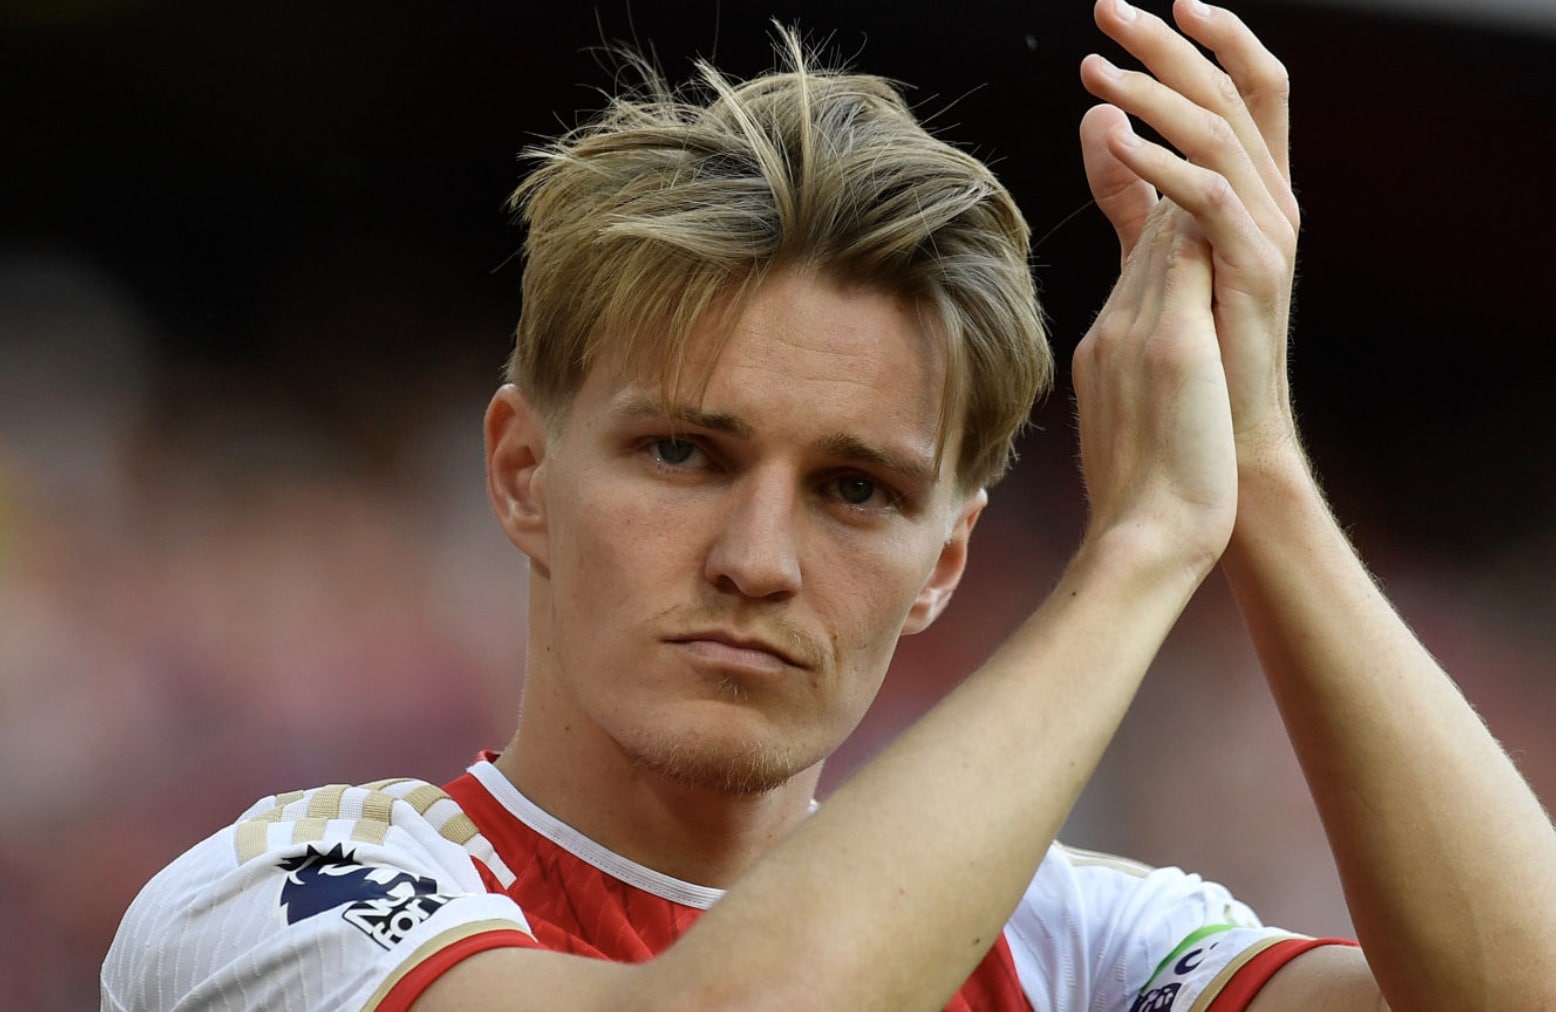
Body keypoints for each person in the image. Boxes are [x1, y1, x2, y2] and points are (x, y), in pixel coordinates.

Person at [102, 1, 1556, 1008]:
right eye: (684, 453)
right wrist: (1138, 552)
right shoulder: (287, 896)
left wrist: (1262, 478)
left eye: (856, 489)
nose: (757, 560)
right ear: (523, 473)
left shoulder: (1072, 944)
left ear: (946, 563)